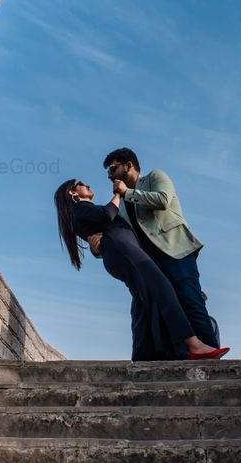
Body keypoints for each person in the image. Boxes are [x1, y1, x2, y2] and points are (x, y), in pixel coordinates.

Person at [54, 178, 230, 361]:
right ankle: (194, 345)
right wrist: (118, 194)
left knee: (144, 303)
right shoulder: (80, 208)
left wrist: (97, 248)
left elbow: (101, 227)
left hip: (122, 250)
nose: (88, 185)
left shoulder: (82, 212)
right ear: (72, 193)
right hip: (123, 250)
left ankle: (144, 356)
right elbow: (107, 214)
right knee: (162, 289)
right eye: (81, 184)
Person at [89, 148, 222, 353]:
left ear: (129, 165)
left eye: (113, 168)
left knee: (191, 302)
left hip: (176, 252)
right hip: (149, 264)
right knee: (145, 311)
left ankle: (212, 358)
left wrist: (127, 193)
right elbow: (119, 236)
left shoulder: (155, 177)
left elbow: (162, 200)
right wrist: (97, 250)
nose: (109, 175)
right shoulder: (120, 203)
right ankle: (148, 364)